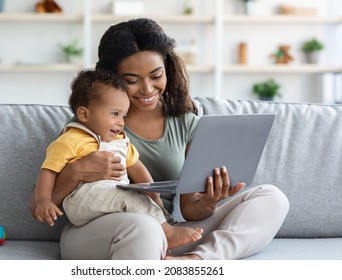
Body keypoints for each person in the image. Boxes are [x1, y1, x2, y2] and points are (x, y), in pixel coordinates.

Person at [30, 18, 289, 260]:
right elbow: (41, 206)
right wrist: (76, 172)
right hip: (99, 232)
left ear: (168, 69)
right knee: (144, 228)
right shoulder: (90, 124)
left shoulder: (186, 121)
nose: (147, 89)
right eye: (131, 80)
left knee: (272, 198)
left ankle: (197, 261)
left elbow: (189, 209)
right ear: (111, 79)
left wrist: (210, 201)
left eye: (156, 75)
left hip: (171, 229)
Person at [34, 69, 203, 250]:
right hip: (82, 201)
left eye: (124, 116)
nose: (121, 122)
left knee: (136, 201)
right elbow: (48, 171)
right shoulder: (70, 139)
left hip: (113, 205)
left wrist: (156, 201)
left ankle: (160, 235)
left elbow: (139, 170)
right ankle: (167, 234)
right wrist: (44, 200)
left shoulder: (120, 141)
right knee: (132, 199)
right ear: (84, 114)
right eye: (115, 114)